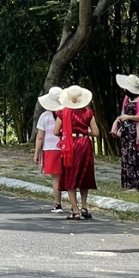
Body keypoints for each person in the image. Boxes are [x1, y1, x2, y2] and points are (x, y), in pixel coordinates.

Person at [54, 85, 99, 220]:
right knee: (85, 174)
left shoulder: (63, 112)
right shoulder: (88, 112)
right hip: (84, 144)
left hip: (70, 145)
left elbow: (56, 131)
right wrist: (84, 132)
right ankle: (84, 206)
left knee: (70, 175)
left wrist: (68, 132)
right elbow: (96, 133)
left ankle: (75, 210)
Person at [112, 73, 139, 190]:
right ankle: (129, 184)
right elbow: (124, 111)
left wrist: (129, 117)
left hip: (136, 132)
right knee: (126, 156)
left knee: (137, 157)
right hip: (126, 131)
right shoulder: (126, 98)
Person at [34, 86, 64, 213]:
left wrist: (36, 153)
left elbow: (40, 137)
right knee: (68, 176)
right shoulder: (66, 115)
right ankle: (76, 205)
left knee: (55, 178)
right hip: (65, 148)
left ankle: (58, 204)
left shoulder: (44, 116)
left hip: (51, 150)